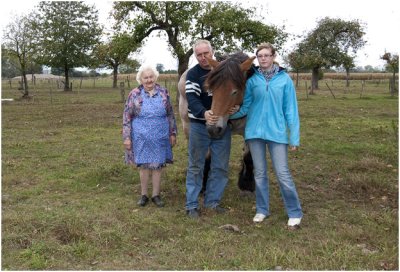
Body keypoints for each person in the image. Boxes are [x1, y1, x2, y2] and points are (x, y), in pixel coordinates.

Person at [230, 42, 303, 227]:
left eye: (267, 55)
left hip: (277, 134)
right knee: (260, 173)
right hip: (254, 133)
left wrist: (293, 137)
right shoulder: (253, 81)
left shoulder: (284, 79)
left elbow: (291, 110)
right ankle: (262, 209)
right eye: (260, 55)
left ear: (273, 57)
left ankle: (294, 211)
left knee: (283, 173)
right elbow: (245, 106)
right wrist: (229, 113)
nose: (263, 58)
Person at [184, 39, 234, 218]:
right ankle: (191, 205)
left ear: (212, 52)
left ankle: (212, 202)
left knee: (220, 166)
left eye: (206, 53)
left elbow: (232, 93)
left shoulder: (224, 72)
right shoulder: (193, 74)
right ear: (195, 56)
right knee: (196, 166)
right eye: (199, 54)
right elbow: (192, 99)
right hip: (199, 126)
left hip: (222, 126)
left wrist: (233, 107)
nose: (203, 57)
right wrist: (204, 113)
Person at [123, 64, 177, 208]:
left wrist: (173, 133)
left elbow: (170, 114)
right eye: (145, 77)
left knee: (158, 165)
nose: (148, 80)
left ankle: (156, 195)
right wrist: (127, 137)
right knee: (144, 165)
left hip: (160, 135)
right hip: (141, 136)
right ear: (140, 79)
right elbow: (127, 116)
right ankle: (144, 195)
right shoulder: (134, 94)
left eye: (151, 77)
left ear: (155, 77)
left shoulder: (164, 92)